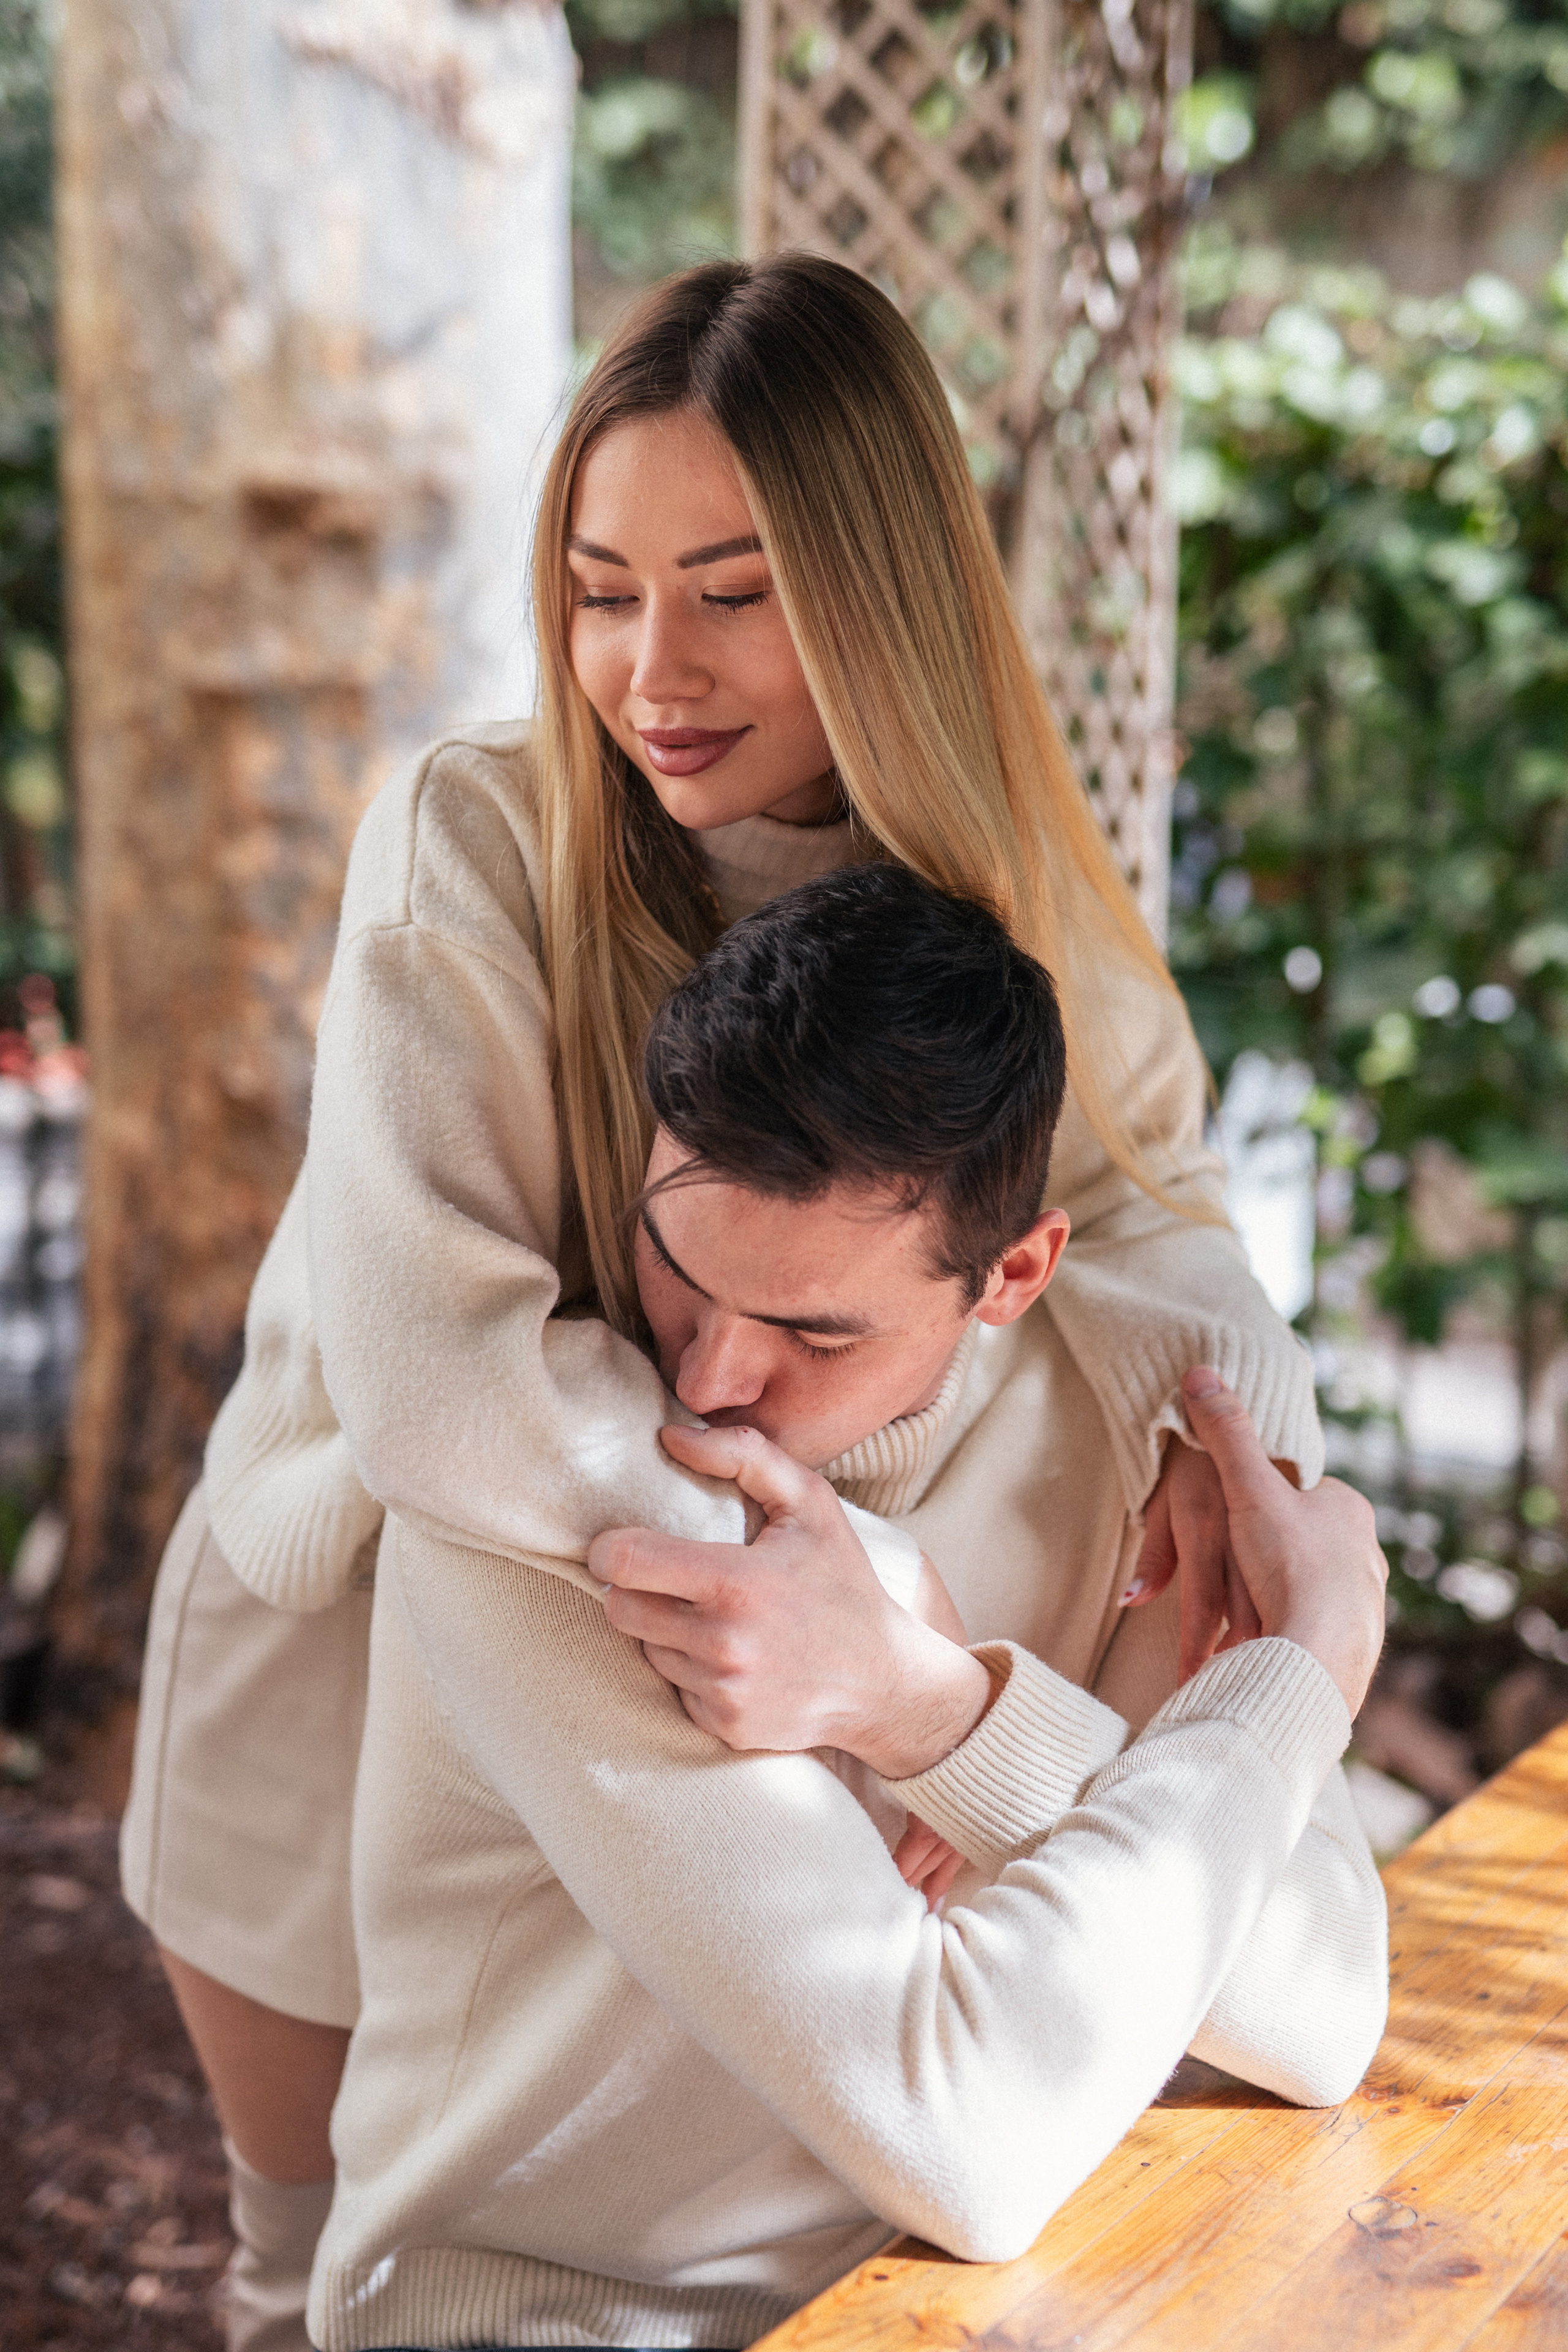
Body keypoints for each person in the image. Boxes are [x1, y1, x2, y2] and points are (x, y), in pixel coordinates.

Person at [119, 254, 1330, 2352]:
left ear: (875, 589)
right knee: (289, 2262)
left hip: (651, 1566)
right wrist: (862, 1621)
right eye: (599, 589)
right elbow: (442, 1380)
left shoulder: (1015, 907)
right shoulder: (479, 833)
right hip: (399, 1559)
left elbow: (1165, 1215)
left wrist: (1252, 1458)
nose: (647, 669)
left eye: (731, 589)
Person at [306, 865, 1387, 2351]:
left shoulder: (1137, 1464)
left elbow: (1320, 2007)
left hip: (968, 2312)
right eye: (676, 1269)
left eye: (812, 1330)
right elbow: (978, 2137)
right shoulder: (568, 1502)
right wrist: (1307, 1671)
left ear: (1012, 1274)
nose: (705, 1383)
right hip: (547, 2319)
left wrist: (939, 1711)